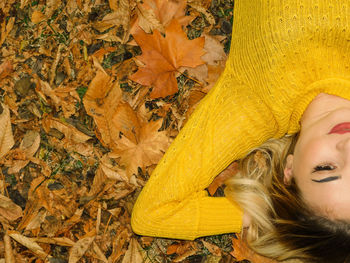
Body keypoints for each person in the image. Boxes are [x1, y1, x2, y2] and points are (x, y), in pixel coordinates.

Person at [131, 1, 350, 262]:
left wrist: (271, 215)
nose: (347, 147)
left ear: (288, 171)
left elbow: (153, 214)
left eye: (325, 168)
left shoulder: (252, 106)